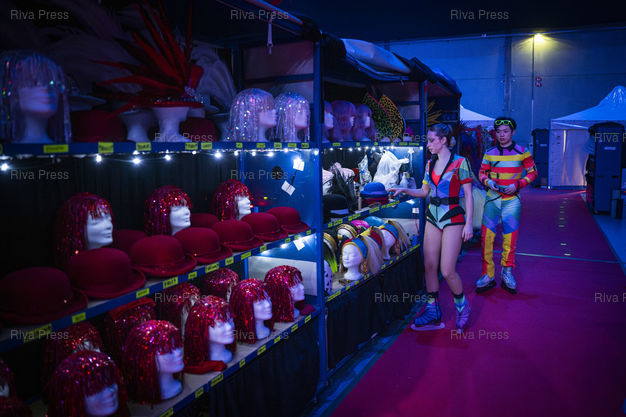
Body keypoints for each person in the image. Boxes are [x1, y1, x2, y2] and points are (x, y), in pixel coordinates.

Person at [389, 123, 473, 332]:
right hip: (432, 217)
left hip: (453, 217)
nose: (427, 144)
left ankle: (462, 306)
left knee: (447, 270)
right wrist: (404, 190)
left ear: (443, 140)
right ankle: (432, 309)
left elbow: (469, 195)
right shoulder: (429, 164)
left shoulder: (460, 163)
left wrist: (469, 224)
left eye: (431, 140)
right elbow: (424, 192)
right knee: (429, 265)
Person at [476, 117, 538, 294]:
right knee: (486, 238)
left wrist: (518, 184)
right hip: (492, 199)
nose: (501, 135)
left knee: (510, 238)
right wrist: (488, 182)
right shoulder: (489, 152)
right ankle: (488, 274)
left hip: (512, 200)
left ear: (513, 132)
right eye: (499, 132)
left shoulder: (523, 152)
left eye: (505, 131)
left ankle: (507, 272)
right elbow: (481, 173)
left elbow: (533, 172)